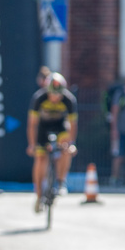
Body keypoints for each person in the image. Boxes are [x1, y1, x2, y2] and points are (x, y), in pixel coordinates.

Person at [26, 72, 78, 213]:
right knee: (40, 158)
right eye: (52, 94)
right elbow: (32, 124)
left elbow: (73, 124)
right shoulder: (39, 98)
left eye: (58, 95)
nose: (55, 98)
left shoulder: (69, 100)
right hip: (43, 129)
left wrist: (72, 143)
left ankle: (61, 181)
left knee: (66, 148)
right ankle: (38, 195)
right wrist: (32, 145)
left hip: (60, 127)